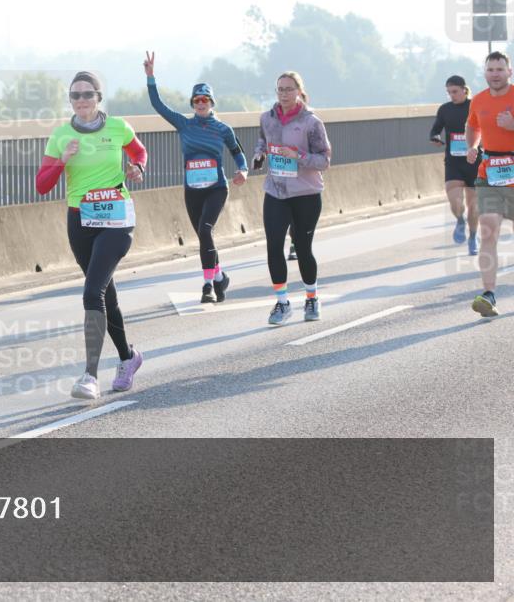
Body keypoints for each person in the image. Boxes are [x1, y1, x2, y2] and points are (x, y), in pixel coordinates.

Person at [36, 71, 147, 399]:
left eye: (87, 95)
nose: (81, 101)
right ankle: (128, 357)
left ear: (99, 98)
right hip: (80, 221)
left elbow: (139, 153)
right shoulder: (60, 136)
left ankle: (89, 375)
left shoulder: (118, 127)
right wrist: (62, 161)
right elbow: (42, 185)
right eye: (75, 96)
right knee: (104, 295)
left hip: (116, 218)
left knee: (91, 293)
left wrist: (137, 168)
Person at [143, 51, 248, 303]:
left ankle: (208, 285)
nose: (201, 103)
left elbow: (238, 153)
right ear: (192, 103)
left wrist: (242, 170)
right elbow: (158, 105)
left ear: (212, 103)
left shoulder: (223, 128)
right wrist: (150, 77)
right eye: (197, 99)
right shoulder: (184, 124)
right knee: (204, 236)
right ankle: (220, 276)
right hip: (192, 189)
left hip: (216, 188)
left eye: (205, 99)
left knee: (205, 229)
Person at [252, 71, 332, 325]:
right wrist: (259, 155)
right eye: (280, 89)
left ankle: (311, 297)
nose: (284, 94)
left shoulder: (311, 122)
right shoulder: (267, 118)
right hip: (276, 190)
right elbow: (262, 142)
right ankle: (282, 302)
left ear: (299, 91)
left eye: (289, 89)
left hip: (306, 193)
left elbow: (324, 160)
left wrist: (297, 155)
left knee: (303, 248)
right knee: (274, 246)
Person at [465, 52, 514, 317]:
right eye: (490, 69)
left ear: (510, 72)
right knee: (488, 227)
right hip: (490, 171)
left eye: (500, 69)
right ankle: (489, 294)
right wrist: (472, 146)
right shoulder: (479, 100)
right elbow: (472, 126)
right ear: (485, 73)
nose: (495, 73)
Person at [430, 75, 479, 255]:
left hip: (474, 161)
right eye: (449, 92)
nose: (452, 95)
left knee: (474, 206)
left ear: (464, 90)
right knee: (454, 199)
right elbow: (435, 129)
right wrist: (435, 138)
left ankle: (473, 237)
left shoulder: (475, 106)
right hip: (453, 161)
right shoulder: (445, 109)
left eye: (455, 91)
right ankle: (460, 220)